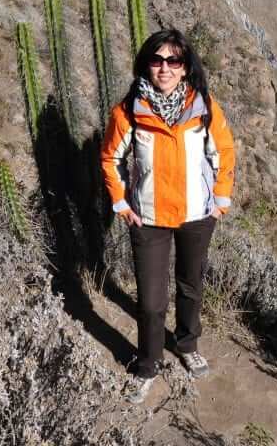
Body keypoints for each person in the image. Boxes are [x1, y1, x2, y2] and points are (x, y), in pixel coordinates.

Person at [100, 28, 236, 404]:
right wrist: (121, 203)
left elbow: (223, 154)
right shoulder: (129, 112)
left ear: (184, 67)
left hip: (197, 215)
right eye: (157, 60)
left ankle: (187, 344)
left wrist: (221, 198)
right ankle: (148, 364)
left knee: (191, 285)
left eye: (172, 60)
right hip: (149, 217)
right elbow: (111, 159)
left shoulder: (204, 106)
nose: (164, 68)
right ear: (146, 65)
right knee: (150, 300)